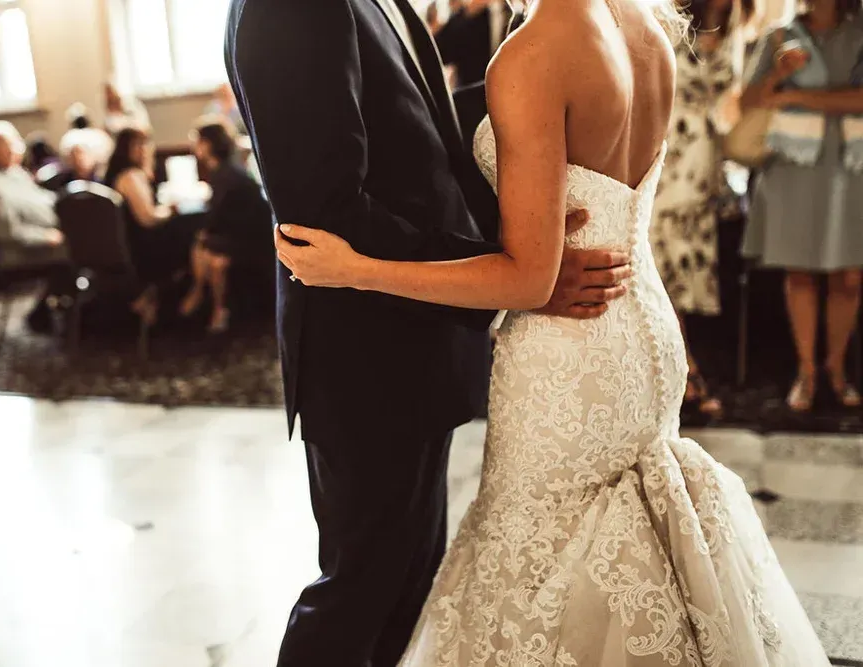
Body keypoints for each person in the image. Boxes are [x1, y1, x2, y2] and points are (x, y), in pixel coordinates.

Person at [271, 0, 832, 663]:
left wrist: (360, 269)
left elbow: (530, 280)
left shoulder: (535, 52)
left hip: (567, 361)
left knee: (542, 568)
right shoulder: (645, 29)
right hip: (639, 324)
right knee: (632, 545)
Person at [226, 0, 645, 664]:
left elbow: (423, 145)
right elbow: (325, 215)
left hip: (414, 342)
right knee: (357, 590)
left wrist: (524, 233)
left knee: (410, 586)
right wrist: (512, 272)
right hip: (365, 356)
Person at [741, 0, 863, 411]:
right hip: (793, 168)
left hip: (853, 166)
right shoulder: (779, 34)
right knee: (800, 272)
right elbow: (749, 102)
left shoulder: (860, 30)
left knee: (849, 275)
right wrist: (780, 75)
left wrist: (799, 98)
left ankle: (836, 369)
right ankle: (807, 373)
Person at [651, 0, 761, 417]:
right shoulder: (672, 28)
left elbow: (728, 113)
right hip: (666, 164)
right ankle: (686, 373)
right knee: (662, 275)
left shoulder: (735, 39)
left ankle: (679, 375)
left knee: (678, 276)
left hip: (703, 173)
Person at [179, 117, 271, 332]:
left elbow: (220, 217)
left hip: (251, 241)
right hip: (249, 235)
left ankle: (206, 298)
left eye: (198, 141)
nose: (195, 147)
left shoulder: (225, 174)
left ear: (208, 144)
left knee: (205, 248)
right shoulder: (228, 170)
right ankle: (209, 301)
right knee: (204, 247)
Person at [0, 121, 68, 333]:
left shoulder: (17, 173)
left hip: (51, 238)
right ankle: (50, 313)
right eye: (3, 146)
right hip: (21, 251)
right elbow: (8, 232)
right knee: (78, 254)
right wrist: (46, 236)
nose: (11, 150)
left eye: (12, 144)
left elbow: (45, 200)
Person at [104, 128, 196, 323]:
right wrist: (171, 209)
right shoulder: (130, 176)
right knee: (194, 234)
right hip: (142, 248)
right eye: (140, 145)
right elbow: (148, 218)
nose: (145, 150)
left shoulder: (120, 174)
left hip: (129, 243)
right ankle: (189, 304)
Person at [428, 0, 512, 88]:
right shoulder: (471, 15)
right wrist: (466, 12)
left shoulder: (516, 13)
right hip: (472, 95)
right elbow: (437, 52)